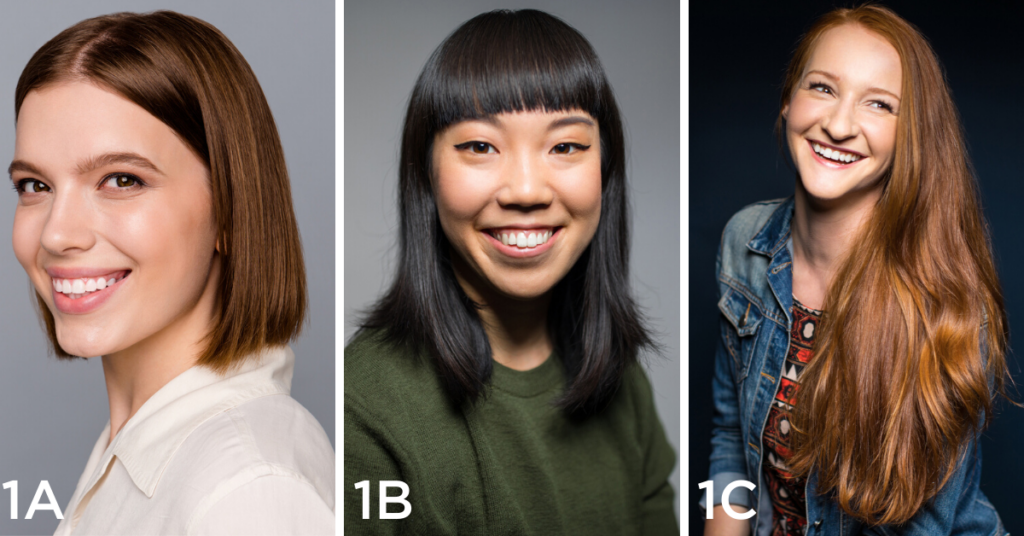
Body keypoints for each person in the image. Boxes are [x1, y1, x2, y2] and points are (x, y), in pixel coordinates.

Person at [344, 9, 678, 535]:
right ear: (426, 173)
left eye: (565, 146)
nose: (526, 190)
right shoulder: (363, 407)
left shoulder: (622, 381)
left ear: (605, 173)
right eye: (480, 147)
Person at [9, 11, 334, 535]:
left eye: (121, 179)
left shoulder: (250, 490)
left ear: (229, 210)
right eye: (34, 186)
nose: (55, 234)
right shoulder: (144, 453)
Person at [703, 5, 1008, 536]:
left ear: (909, 137)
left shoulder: (947, 304)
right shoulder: (743, 242)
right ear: (787, 101)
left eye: (879, 104)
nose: (839, 124)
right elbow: (731, 441)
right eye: (822, 88)